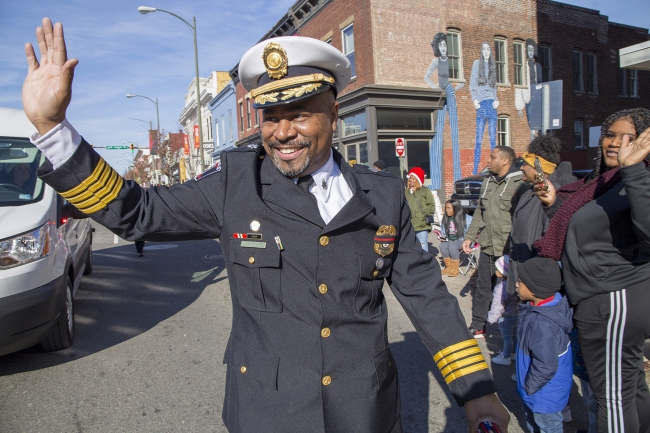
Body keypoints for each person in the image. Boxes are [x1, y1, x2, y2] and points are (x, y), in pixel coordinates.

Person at [22, 19, 510, 433]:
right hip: (267, 412)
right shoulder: (236, 183)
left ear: (334, 111)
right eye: (271, 116)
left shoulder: (381, 194)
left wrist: (477, 390)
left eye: (298, 113)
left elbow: (425, 294)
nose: (281, 133)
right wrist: (54, 131)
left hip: (365, 410)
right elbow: (137, 213)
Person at [533, 108, 650, 432]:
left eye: (628, 137)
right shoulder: (603, 183)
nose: (615, 143)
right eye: (610, 134)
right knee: (631, 388)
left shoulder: (637, 178)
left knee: (612, 397)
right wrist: (553, 203)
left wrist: (635, 170)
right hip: (599, 298)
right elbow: (588, 228)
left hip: (614, 299)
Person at [463, 146, 526, 338]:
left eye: (492, 157)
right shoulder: (487, 181)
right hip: (489, 245)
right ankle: (478, 324)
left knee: (512, 291)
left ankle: (512, 331)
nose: (488, 161)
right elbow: (480, 213)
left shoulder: (520, 183)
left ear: (505, 160)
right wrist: (469, 237)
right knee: (483, 287)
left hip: (509, 247)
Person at [506, 135, 576, 297]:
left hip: (533, 287)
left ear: (539, 167)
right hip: (519, 277)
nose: (521, 167)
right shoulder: (528, 191)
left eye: (526, 163)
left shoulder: (551, 196)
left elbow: (550, 243)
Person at [515, 257, 573, 433]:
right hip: (544, 392)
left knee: (548, 427)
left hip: (542, 396)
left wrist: (528, 389)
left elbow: (545, 365)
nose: (516, 285)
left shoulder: (543, 323)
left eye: (520, 281)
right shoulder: (547, 306)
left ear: (534, 289)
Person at [424, 32, 463, 186]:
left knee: (455, 133)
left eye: (445, 44)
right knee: (438, 132)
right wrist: (436, 89)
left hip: (451, 92)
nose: (443, 47)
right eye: (440, 45)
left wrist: (458, 85)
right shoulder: (436, 61)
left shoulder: (452, 61)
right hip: (442, 93)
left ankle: (457, 179)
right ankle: (436, 182)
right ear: (437, 47)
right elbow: (427, 77)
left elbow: (462, 80)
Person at [470, 42, 499, 175]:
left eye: (488, 49)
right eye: (484, 49)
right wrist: (474, 100)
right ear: (481, 51)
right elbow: (472, 83)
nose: (486, 51)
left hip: (492, 104)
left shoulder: (493, 66)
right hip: (481, 104)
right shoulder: (477, 64)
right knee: (479, 139)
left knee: (493, 139)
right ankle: (475, 170)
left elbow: (494, 86)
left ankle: (495, 169)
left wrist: (497, 99)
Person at [486, 255, 519, 366]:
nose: (495, 270)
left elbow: (498, 305)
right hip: (516, 313)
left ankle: (506, 357)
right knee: (514, 335)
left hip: (506, 316)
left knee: (506, 337)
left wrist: (491, 319)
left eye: (497, 269)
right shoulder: (516, 284)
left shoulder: (501, 288)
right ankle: (514, 353)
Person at [404, 167, 436, 252]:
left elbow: (432, 207)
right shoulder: (406, 192)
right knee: (410, 247)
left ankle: (425, 263)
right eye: (410, 178)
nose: (411, 180)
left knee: (422, 245)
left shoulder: (425, 191)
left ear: (418, 180)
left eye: (413, 178)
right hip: (409, 225)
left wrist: (423, 214)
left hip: (422, 225)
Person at [439, 199, 472, 277]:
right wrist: (442, 236)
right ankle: (448, 267)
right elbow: (444, 232)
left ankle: (455, 269)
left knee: (453, 246)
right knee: (442, 245)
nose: (447, 210)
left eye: (449, 208)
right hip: (451, 240)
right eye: (446, 208)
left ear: (456, 208)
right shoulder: (446, 218)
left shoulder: (466, 218)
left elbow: (471, 234)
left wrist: (470, 242)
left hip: (463, 240)